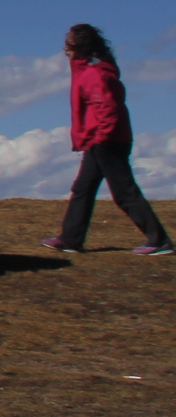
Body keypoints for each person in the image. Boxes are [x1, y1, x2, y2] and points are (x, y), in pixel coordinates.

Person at [42, 23, 172, 256]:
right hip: (101, 139)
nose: (65, 50)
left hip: (107, 140)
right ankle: (71, 239)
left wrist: (100, 137)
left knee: (124, 192)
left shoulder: (94, 73)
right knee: (84, 188)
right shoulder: (90, 69)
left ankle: (159, 240)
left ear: (81, 48)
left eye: (69, 45)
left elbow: (108, 109)